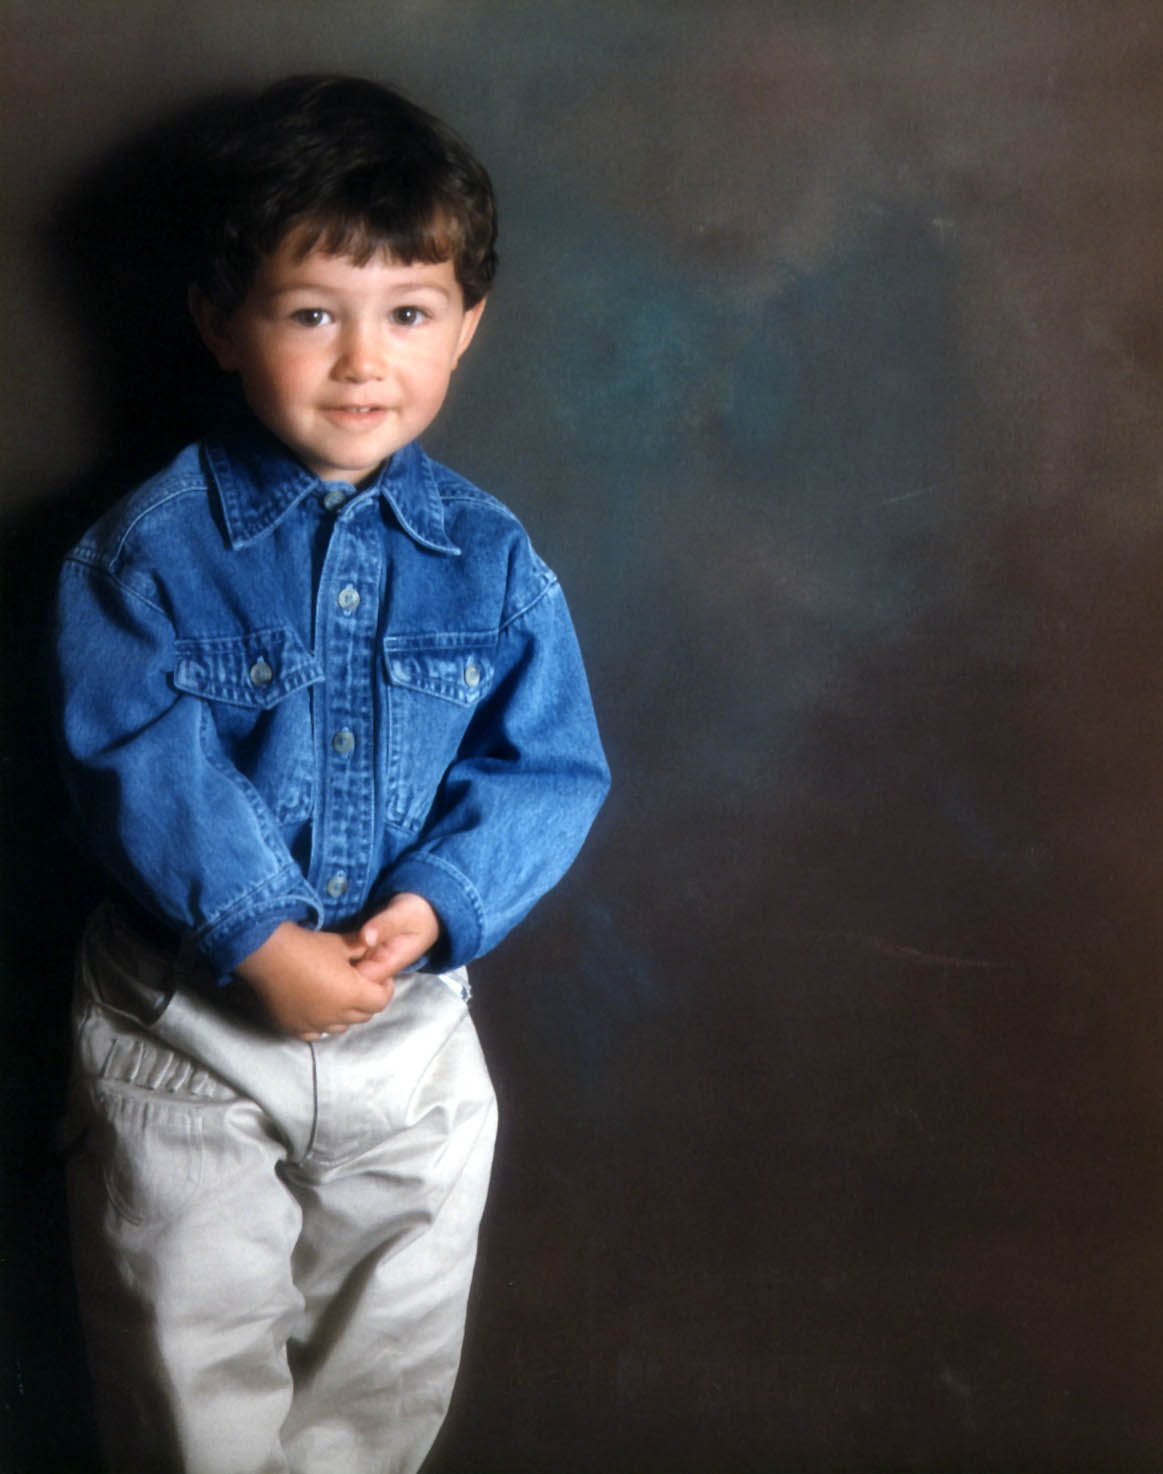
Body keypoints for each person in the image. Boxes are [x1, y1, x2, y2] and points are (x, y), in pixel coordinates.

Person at [53, 74, 609, 1474]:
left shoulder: (493, 559)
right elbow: (132, 754)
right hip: (190, 1031)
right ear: (220, 321)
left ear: (466, 325)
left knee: (386, 1365)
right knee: (190, 1365)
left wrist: (436, 904)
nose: (364, 362)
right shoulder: (145, 554)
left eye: (408, 314)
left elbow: (548, 765)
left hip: (405, 1029)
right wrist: (256, 932)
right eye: (313, 314)